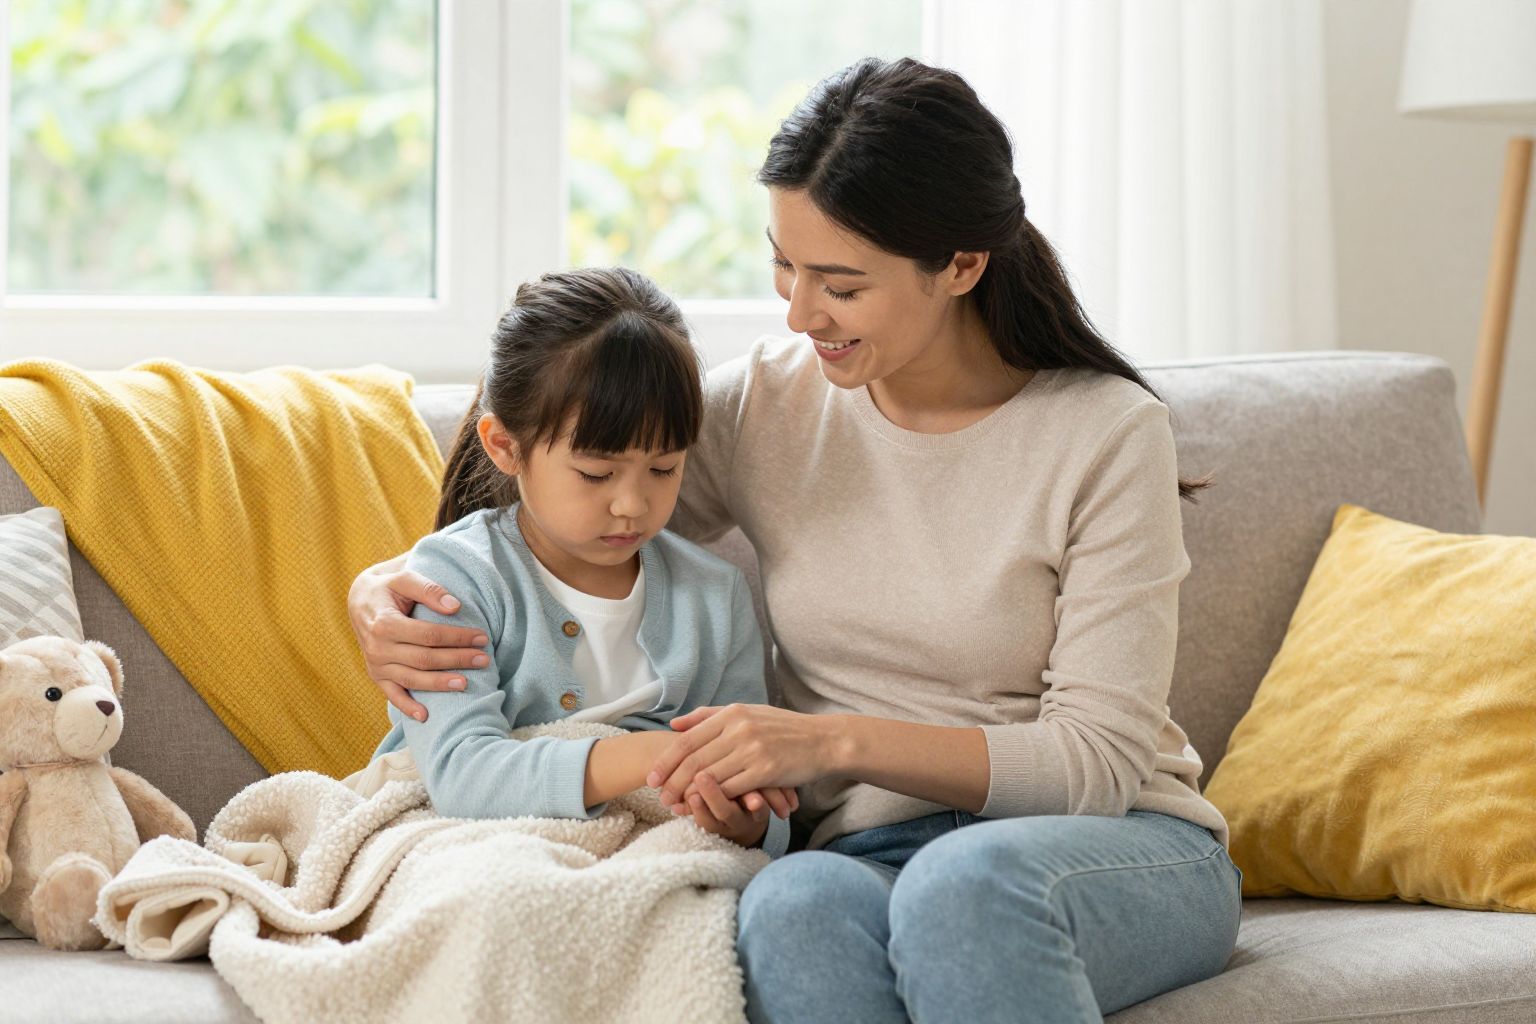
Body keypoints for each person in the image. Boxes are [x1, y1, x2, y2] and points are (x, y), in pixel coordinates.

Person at [349, 58, 1241, 1023]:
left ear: (961, 266)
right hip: (860, 849)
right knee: (786, 907)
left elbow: (1093, 763)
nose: (799, 312)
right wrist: (386, 583)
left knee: (965, 888)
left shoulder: (1106, 434)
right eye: (785, 264)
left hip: (1106, 845)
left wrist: (827, 742)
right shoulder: (771, 406)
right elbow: (563, 527)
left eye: (841, 284)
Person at [360, 265, 794, 857]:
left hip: (650, 849)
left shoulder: (714, 595)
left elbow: (767, 803)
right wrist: (657, 755)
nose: (633, 504)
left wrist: (742, 821)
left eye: (665, 468)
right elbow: (462, 777)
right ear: (506, 447)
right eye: (596, 472)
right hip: (472, 841)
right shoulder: (457, 582)